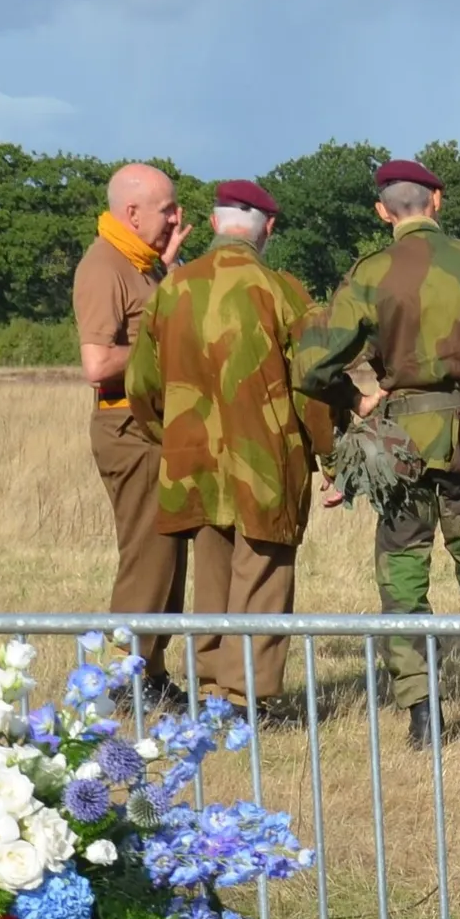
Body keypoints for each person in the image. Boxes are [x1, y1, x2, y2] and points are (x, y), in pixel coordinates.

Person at [293, 157, 460, 748]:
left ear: (382, 211)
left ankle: (423, 713)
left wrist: (358, 396)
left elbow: (310, 365)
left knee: (402, 576)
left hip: (400, 448)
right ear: (438, 201)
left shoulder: (370, 272)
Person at [137, 179, 339, 714]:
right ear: (267, 228)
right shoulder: (284, 291)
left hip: (191, 459)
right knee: (265, 573)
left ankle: (209, 687)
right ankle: (244, 697)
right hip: (267, 460)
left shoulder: (170, 289)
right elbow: (316, 384)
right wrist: (330, 456)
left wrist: (173, 437)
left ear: (212, 224)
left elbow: (142, 388)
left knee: (214, 572)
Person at [75, 164, 187, 652]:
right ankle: (128, 677)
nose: (177, 218)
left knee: (166, 554)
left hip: (151, 427)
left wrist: (171, 267)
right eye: (168, 210)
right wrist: (158, 349)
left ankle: (153, 671)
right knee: (147, 554)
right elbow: (97, 364)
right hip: (126, 426)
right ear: (133, 213)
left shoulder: (143, 264)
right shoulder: (104, 267)